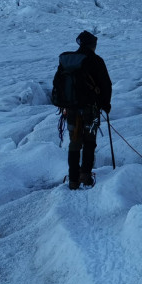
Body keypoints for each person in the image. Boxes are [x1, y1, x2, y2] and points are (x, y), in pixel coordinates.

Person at [52, 30, 112, 189]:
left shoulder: (68, 60)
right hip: (90, 110)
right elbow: (106, 85)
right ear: (93, 45)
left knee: (74, 143)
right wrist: (106, 105)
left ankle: (73, 180)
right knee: (89, 141)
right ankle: (85, 176)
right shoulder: (96, 60)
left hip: (71, 109)